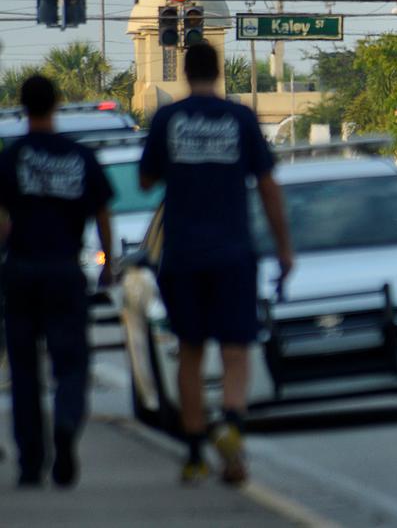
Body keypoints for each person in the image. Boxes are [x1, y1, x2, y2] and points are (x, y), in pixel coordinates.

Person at [139, 43, 293, 486]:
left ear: (185, 74)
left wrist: (179, 165)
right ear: (220, 71)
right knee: (235, 349)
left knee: (190, 350)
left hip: (182, 254)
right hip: (233, 253)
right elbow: (268, 187)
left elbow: (146, 179)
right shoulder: (241, 118)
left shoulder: (168, 119)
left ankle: (193, 454)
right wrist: (284, 247)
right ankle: (231, 425)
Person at [0, 75, 114, 488]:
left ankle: (31, 462)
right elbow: (102, 211)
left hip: (22, 271)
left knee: (25, 370)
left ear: (22, 105)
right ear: (57, 104)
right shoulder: (79, 156)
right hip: (65, 271)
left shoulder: (12, 157)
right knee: (72, 363)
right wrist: (108, 262)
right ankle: (66, 423)